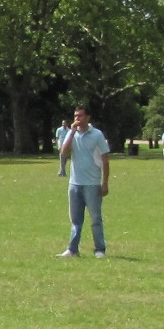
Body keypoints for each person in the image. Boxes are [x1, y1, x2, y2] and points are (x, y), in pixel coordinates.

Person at [56, 105, 110, 258]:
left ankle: (100, 249)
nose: (77, 119)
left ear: (88, 117)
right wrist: (72, 132)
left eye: (80, 116)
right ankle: (73, 250)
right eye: (75, 116)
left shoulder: (97, 135)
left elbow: (105, 160)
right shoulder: (71, 134)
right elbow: (64, 152)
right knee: (75, 219)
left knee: (95, 219)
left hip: (92, 184)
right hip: (75, 183)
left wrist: (105, 183)